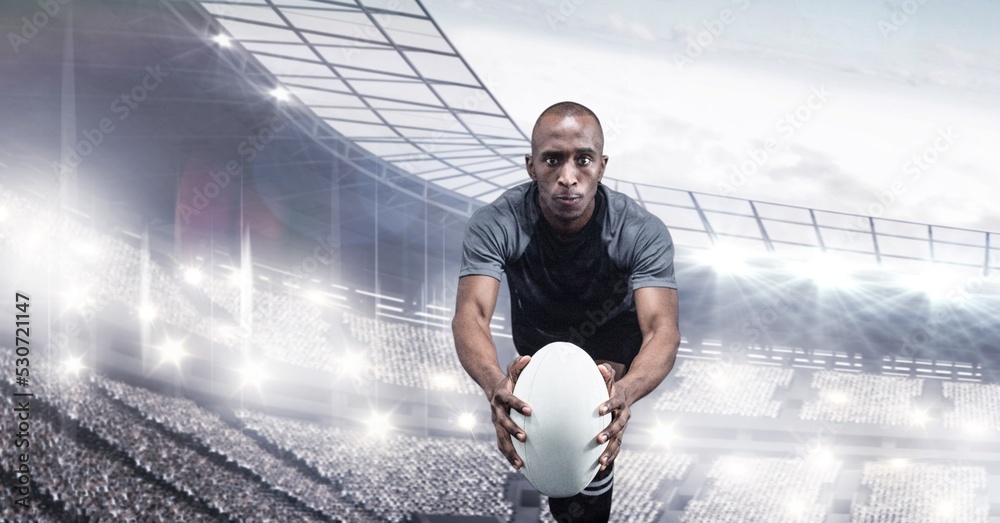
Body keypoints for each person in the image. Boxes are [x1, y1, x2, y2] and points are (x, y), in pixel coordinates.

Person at [452, 101, 681, 522]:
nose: (568, 177)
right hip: (540, 349)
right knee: (556, 476)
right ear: (531, 166)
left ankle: (590, 496)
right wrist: (494, 385)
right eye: (552, 160)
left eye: (584, 160)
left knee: (585, 476)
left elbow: (661, 328)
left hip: (611, 349)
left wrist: (625, 391)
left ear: (603, 165)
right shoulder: (497, 222)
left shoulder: (639, 231)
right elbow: (472, 313)